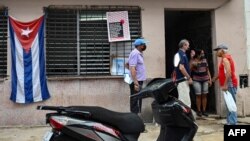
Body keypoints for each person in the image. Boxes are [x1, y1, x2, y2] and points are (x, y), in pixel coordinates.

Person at [212, 43, 238, 125]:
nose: (216, 52)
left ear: (222, 51)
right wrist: (214, 79)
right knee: (229, 104)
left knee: (231, 105)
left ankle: (233, 123)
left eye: (218, 50)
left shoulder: (225, 59)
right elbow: (223, 73)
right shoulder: (225, 58)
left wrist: (226, 84)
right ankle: (230, 122)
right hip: (229, 84)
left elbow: (229, 72)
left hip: (230, 85)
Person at [127, 38, 148, 114]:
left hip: (137, 80)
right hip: (137, 81)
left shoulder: (137, 53)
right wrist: (136, 82)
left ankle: (135, 118)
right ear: (141, 46)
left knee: (137, 100)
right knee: (135, 101)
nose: (145, 46)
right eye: (144, 45)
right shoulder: (135, 53)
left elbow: (127, 64)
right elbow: (132, 68)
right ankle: (134, 119)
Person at [190, 49, 212, 117]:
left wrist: (210, 79)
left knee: (205, 95)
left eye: (203, 53)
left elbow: (207, 70)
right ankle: (199, 111)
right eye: (201, 53)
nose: (203, 55)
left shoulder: (204, 60)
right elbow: (190, 69)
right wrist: (193, 62)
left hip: (205, 79)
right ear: (197, 54)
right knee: (198, 95)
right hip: (196, 80)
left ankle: (204, 111)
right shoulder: (193, 60)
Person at [174, 39, 193, 107]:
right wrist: (189, 78)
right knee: (184, 100)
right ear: (184, 45)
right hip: (182, 80)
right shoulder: (181, 54)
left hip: (182, 80)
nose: (188, 46)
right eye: (188, 45)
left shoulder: (182, 54)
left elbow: (187, 68)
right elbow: (181, 68)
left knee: (184, 98)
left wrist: (191, 57)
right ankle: (184, 117)